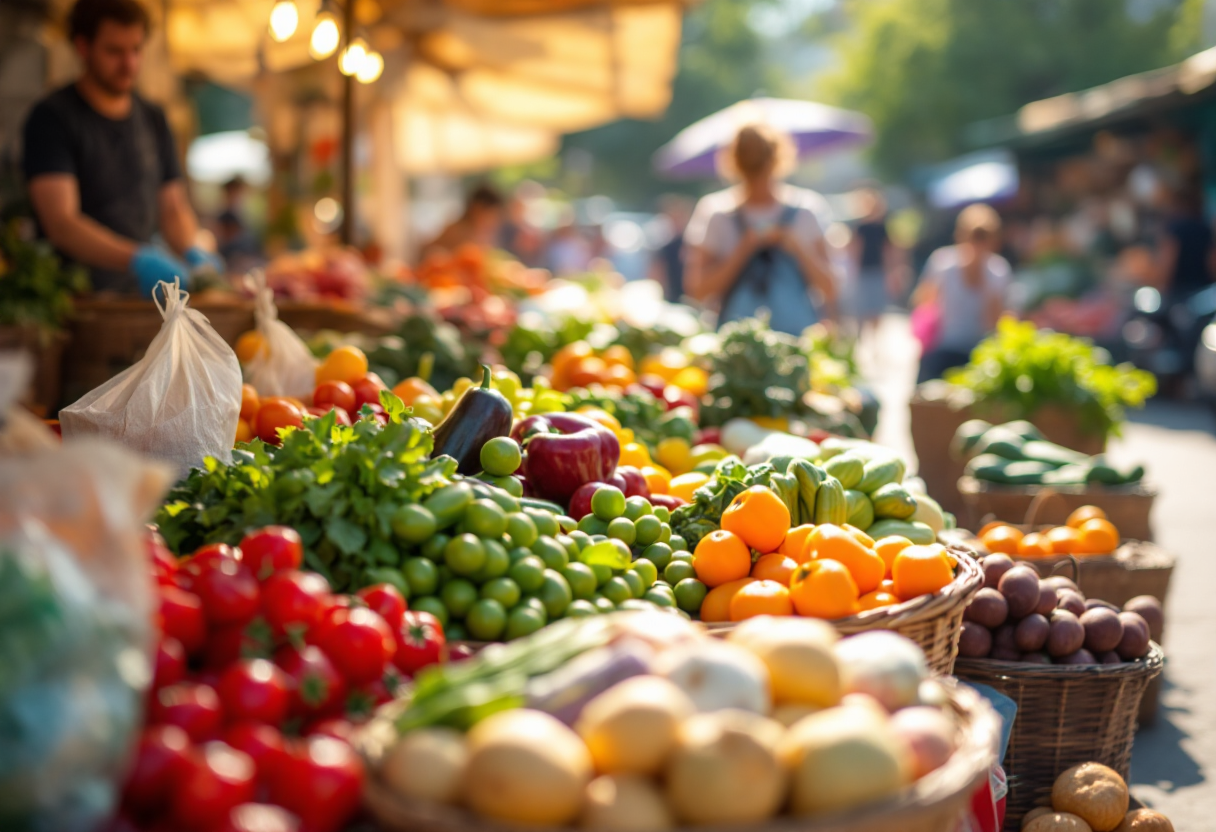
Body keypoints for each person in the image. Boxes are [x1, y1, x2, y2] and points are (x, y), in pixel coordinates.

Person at [22, 0, 218, 296]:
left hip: (140, 296)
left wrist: (193, 251)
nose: (129, 64)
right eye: (114, 51)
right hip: (76, 299)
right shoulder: (52, 118)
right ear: (83, 47)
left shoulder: (153, 118)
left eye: (136, 50)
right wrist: (136, 259)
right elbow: (61, 222)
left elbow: (173, 206)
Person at [683, 124, 837, 335]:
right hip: (747, 344)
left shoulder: (805, 210)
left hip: (767, 341)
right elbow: (698, 291)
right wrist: (743, 250)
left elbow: (831, 288)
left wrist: (796, 246)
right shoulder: (717, 213)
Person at [913, 204, 1011, 382]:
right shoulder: (943, 263)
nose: (976, 244)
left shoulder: (997, 270)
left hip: (978, 352)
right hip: (943, 348)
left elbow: (994, 322)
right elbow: (922, 303)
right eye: (974, 236)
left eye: (982, 238)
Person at [848, 187, 903, 341]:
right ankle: (860, 338)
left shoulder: (882, 227)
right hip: (864, 271)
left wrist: (892, 272)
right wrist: (854, 270)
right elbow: (856, 249)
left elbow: (888, 251)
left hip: (878, 271)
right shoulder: (860, 227)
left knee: (877, 308)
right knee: (862, 308)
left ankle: (874, 339)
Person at [1156, 186, 1213, 304]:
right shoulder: (1204, 227)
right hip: (1202, 289)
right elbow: (1211, 262)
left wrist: (1161, 288)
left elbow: (1168, 261)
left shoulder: (1174, 228)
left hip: (1178, 291)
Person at [424, 183, 505, 255]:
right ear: (476, 209)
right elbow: (428, 249)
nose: (493, 221)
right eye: (491, 215)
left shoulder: (481, 235)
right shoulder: (456, 231)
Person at [650, 194, 694, 302]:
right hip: (672, 297)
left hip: (691, 297)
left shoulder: (693, 244)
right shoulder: (665, 246)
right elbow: (656, 272)